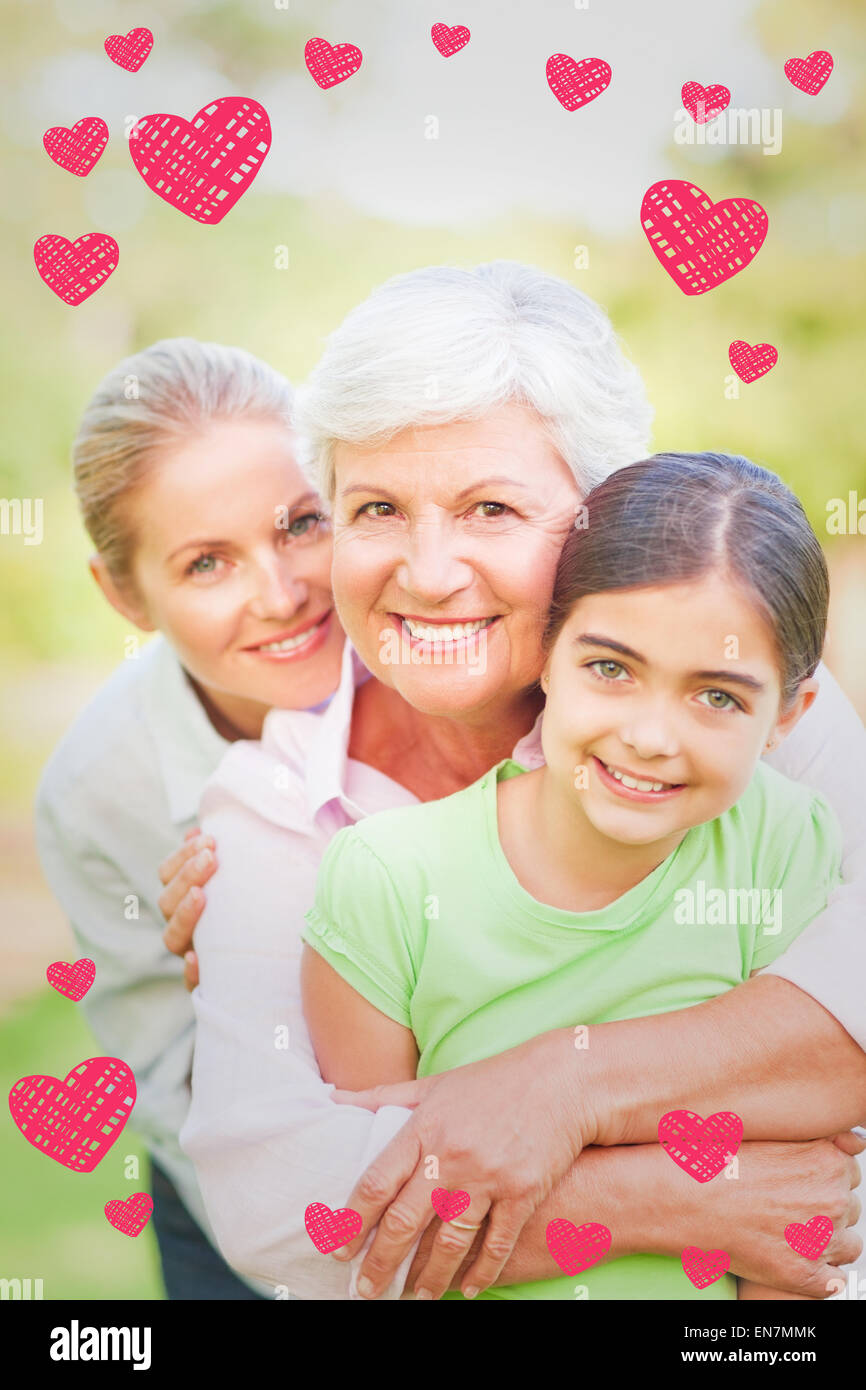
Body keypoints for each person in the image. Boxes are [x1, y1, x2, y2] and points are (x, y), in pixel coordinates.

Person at [162, 264, 866, 1301]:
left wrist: (560, 1085)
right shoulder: (266, 816)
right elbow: (281, 1207)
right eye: (375, 509)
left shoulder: (735, 711)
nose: (430, 569)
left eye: (490, 508)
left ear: (602, 519)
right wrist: (674, 1196)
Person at [301, 450, 843, 1300]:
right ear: (546, 656)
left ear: (788, 717)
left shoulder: (780, 840)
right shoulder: (388, 881)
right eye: (611, 669)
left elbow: (799, 1208)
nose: (652, 737)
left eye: (718, 697)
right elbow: (370, 1213)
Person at [34, 338, 345, 1299]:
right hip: (241, 1205)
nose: (282, 593)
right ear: (126, 595)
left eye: (301, 524)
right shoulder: (99, 795)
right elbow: (177, 1083)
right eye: (208, 563)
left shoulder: (450, 670)